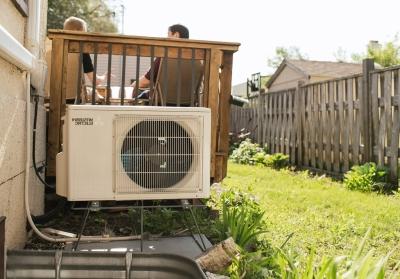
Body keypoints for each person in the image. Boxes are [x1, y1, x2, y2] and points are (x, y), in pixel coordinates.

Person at [131, 24, 190, 99]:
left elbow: (145, 82)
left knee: (138, 96)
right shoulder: (196, 60)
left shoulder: (164, 58)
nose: (166, 38)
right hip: (188, 104)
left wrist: (131, 86)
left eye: (168, 34)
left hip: (162, 103)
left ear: (176, 35)